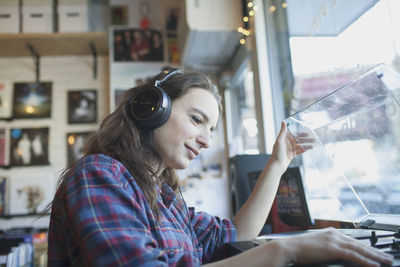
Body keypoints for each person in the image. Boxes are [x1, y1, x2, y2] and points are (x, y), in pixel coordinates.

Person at [46, 68, 394, 266]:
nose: (206, 140)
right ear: (152, 109)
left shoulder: (167, 199)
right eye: (197, 120)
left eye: (211, 129)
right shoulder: (99, 176)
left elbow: (234, 237)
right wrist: (287, 248)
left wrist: (277, 163)